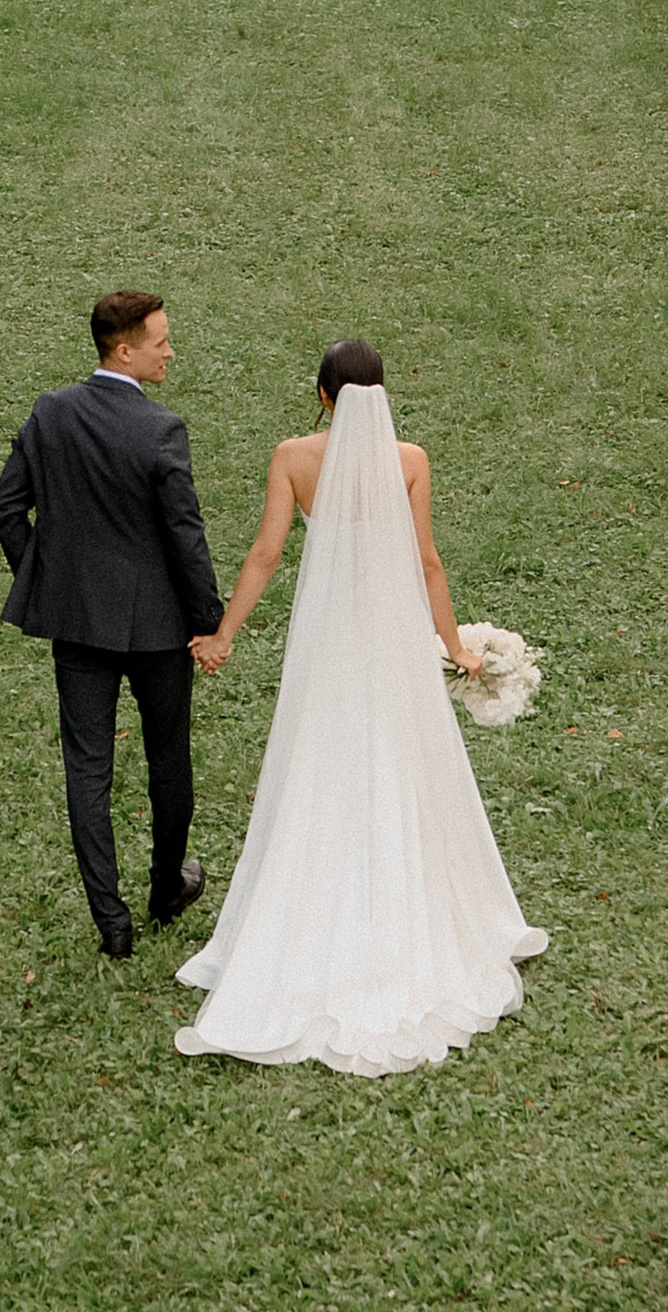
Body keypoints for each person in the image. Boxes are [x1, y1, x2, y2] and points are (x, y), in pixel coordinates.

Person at [173, 341, 546, 1073]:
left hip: (328, 641)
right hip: (393, 639)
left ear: (323, 396)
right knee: (400, 760)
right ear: (382, 393)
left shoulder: (293, 458)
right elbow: (428, 561)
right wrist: (456, 648)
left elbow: (265, 554)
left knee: (322, 760)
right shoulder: (409, 460)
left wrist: (223, 634)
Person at [0, 291, 224, 959]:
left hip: (78, 627)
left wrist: (49, 584)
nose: (170, 352)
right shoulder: (161, 430)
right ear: (125, 351)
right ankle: (166, 887)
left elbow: (7, 509)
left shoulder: (51, 413)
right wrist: (209, 621)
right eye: (161, 342)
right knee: (168, 756)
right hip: (160, 629)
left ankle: (111, 923)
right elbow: (185, 536)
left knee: (86, 769)